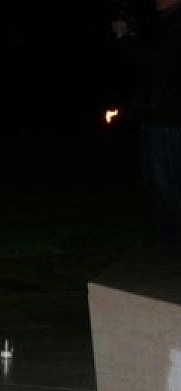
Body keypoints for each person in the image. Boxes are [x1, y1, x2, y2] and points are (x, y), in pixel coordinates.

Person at [111, 0, 181, 245]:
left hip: (167, 120)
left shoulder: (176, 23)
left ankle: (170, 246)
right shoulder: (163, 23)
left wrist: (125, 39)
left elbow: (156, 66)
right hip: (158, 118)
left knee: (166, 186)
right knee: (158, 186)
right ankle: (166, 246)